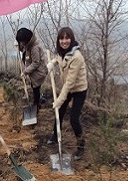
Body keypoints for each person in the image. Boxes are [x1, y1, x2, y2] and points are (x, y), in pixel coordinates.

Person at [46, 27, 88, 160]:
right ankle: (55, 134)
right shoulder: (62, 52)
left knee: (74, 119)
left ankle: (81, 146)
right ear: (59, 40)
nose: (64, 41)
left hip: (78, 90)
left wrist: (59, 99)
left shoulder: (77, 57)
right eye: (61, 38)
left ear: (72, 39)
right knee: (59, 111)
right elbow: (58, 59)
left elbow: (69, 83)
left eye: (67, 38)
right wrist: (52, 63)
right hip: (68, 88)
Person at [15, 28, 48, 112]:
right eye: (20, 41)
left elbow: (35, 63)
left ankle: (36, 105)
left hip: (38, 73)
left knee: (35, 88)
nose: (21, 43)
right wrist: (18, 46)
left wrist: (25, 72)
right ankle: (37, 103)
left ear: (27, 40)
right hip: (33, 73)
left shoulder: (34, 48)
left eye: (22, 41)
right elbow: (24, 50)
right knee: (35, 89)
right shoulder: (28, 45)